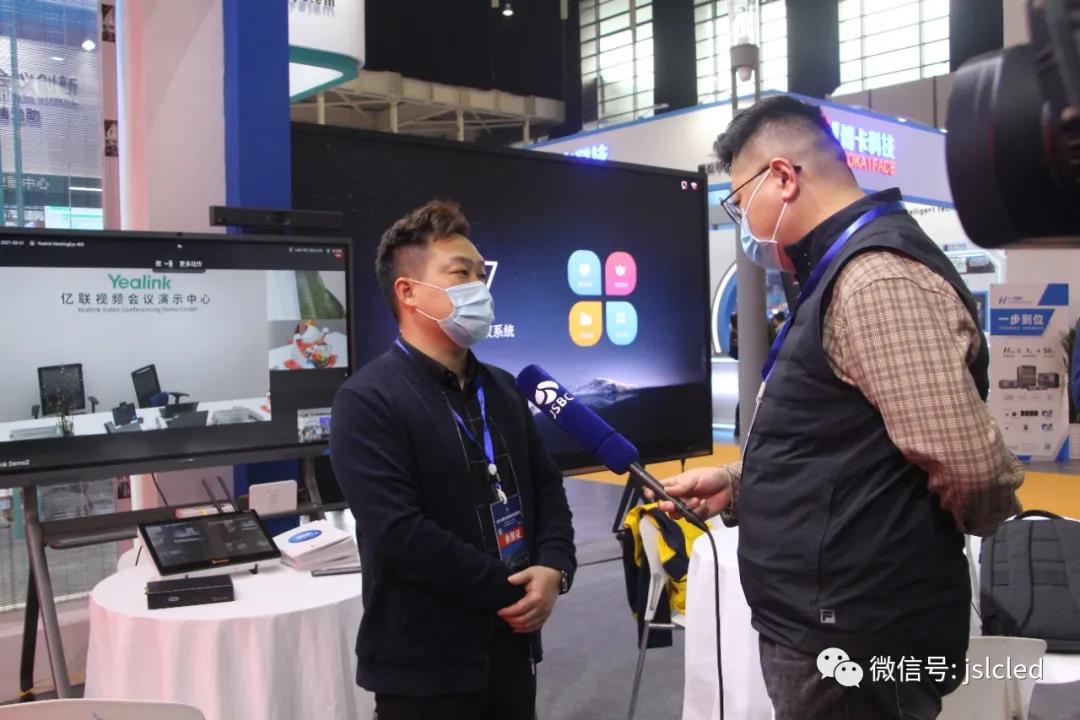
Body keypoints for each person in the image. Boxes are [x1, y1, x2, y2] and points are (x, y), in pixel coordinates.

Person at [655, 96, 1023, 720]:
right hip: (833, 621)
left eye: (740, 202)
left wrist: (936, 538)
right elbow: (844, 445)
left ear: (782, 177)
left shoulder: (874, 278)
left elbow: (970, 466)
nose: (744, 222)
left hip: (858, 631)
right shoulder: (837, 272)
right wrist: (742, 485)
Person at [330, 200, 576, 720]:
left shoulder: (502, 390)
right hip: (424, 665)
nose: (479, 288)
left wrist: (553, 567)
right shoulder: (367, 401)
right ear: (408, 292)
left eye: (482, 276)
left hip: (510, 646)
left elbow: (546, 486)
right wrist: (508, 586)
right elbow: (400, 533)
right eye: (461, 274)